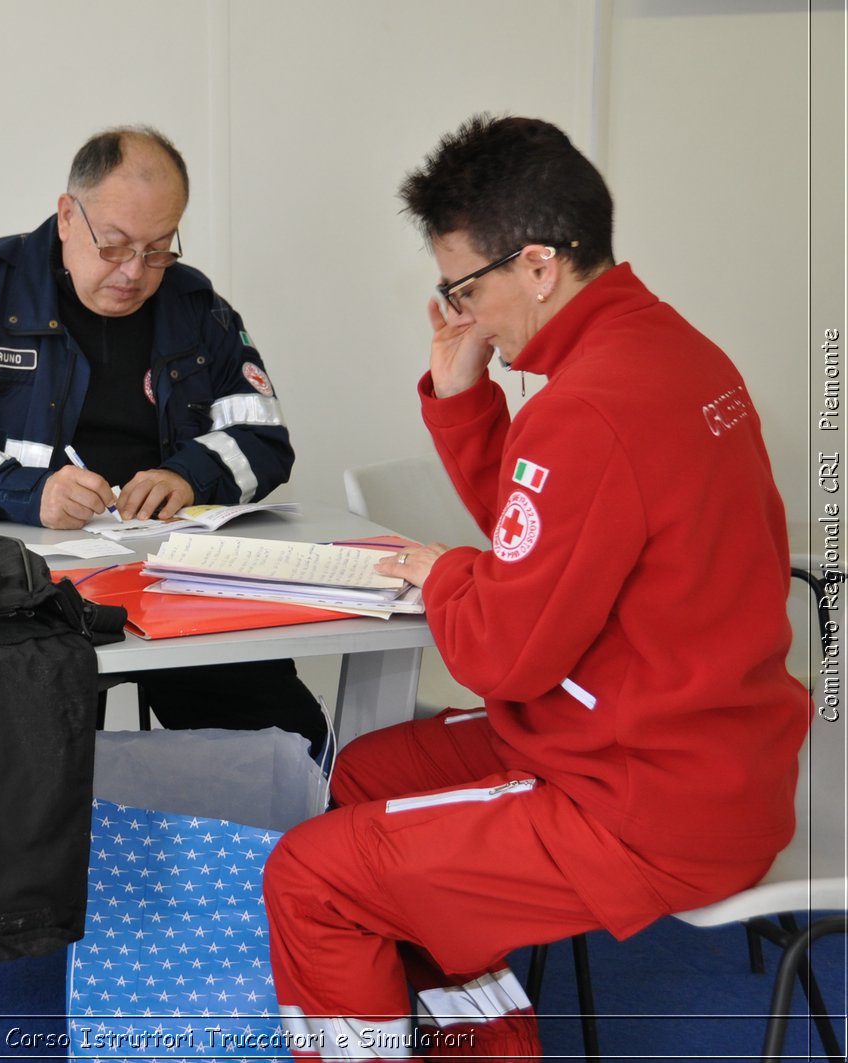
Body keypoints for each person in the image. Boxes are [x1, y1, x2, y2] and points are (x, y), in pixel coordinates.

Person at [261, 114, 809, 1060]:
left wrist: (448, 575)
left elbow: (501, 652)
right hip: (706, 757)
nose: (464, 310)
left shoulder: (588, 407)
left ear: (541, 264)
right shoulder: (672, 351)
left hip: (642, 800)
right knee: (360, 776)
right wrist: (466, 394)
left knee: (312, 876)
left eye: (466, 286)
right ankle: (485, 1046)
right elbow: (549, 542)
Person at [0, 126, 326, 751]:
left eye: (157, 249)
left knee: (285, 740)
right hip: (6, 583)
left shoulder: (199, 310)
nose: (135, 273)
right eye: (114, 247)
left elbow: (262, 439)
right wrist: (26, 494)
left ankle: (277, 849)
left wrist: (189, 475)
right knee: (33, 758)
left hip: (164, 577)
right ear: (68, 216)